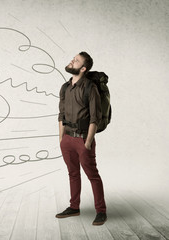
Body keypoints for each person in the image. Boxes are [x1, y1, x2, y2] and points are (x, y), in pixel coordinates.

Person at [56, 52, 107, 225]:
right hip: (67, 140)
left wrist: (87, 142)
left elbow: (95, 117)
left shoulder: (89, 87)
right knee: (73, 174)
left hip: (83, 139)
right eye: (73, 58)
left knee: (92, 175)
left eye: (76, 61)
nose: (72, 61)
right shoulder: (64, 87)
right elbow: (61, 114)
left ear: (83, 68)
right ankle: (74, 207)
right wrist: (61, 138)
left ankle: (101, 211)